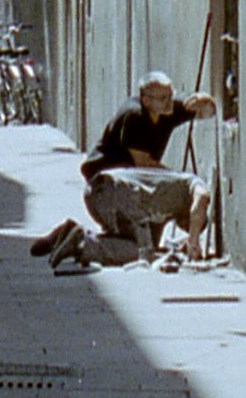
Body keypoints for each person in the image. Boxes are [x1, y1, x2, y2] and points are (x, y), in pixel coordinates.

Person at [33, 70, 217, 267]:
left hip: (136, 189)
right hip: (110, 186)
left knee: (136, 245)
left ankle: (70, 234)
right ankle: (81, 243)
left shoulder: (167, 110)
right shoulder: (134, 116)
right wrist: (176, 181)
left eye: (171, 95)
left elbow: (208, 111)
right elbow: (144, 163)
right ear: (146, 100)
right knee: (144, 251)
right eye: (163, 98)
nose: (170, 102)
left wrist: (204, 99)